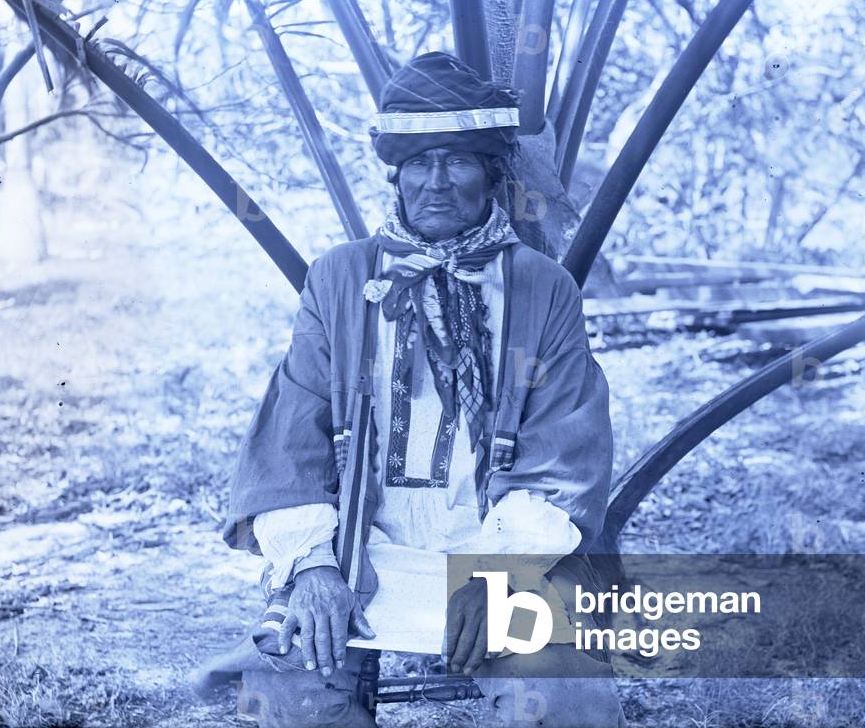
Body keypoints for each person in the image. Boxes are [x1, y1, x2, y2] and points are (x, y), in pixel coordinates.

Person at [197, 52, 626, 727]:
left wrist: (496, 573)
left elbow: (564, 456)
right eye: (419, 162)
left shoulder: (545, 290)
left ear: (491, 169)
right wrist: (311, 567)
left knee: (564, 697)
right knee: (287, 691)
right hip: (361, 558)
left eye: (457, 160)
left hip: (497, 550)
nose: (436, 181)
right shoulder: (338, 279)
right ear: (395, 171)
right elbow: (292, 439)